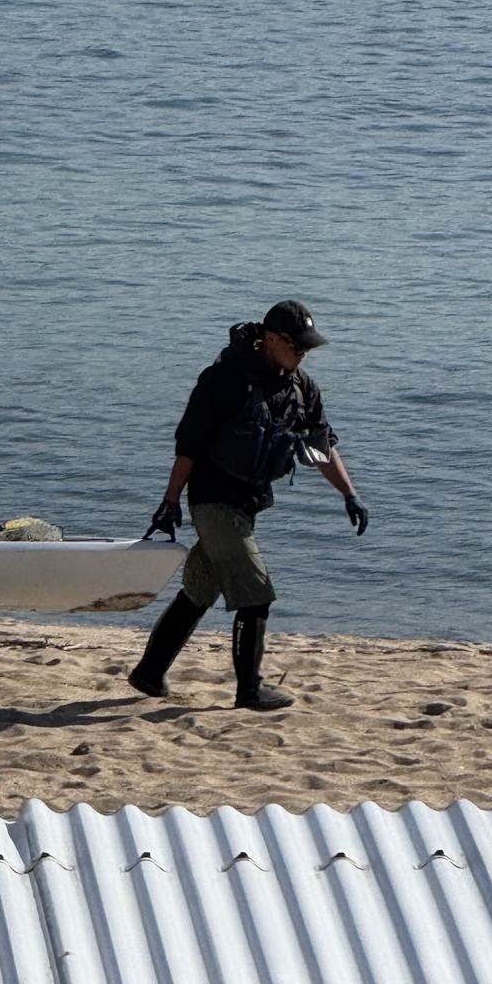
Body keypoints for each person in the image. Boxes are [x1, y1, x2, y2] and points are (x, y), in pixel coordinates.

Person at [129, 300, 369, 711]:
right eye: (296, 346)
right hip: (213, 500)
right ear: (271, 339)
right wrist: (169, 502)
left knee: (199, 590)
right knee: (257, 593)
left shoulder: (302, 388)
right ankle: (250, 690)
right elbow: (188, 447)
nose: (303, 354)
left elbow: (322, 445)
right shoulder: (224, 379)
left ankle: (149, 673)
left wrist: (349, 494)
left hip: (248, 504)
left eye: (307, 348)